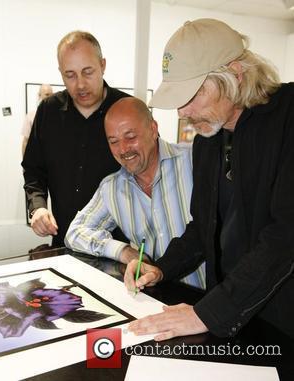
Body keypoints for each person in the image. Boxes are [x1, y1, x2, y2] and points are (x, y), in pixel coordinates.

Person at [125, 18, 294, 340]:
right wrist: (161, 267)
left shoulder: (289, 119)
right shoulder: (207, 141)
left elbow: (285, 237)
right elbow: (203, 226)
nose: (181, 112)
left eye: (193, 95)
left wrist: (207, 313)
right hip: (230, 311)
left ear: (235, 75)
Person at [65, 97, 205, 289]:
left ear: (153, 129)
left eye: (131, 137)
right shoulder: (111, 188)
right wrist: (122, 251)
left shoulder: (193, 162)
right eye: (113, 141)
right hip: (155, 300)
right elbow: (75, 233)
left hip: (210, 303)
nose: (123, 149)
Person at [22, 31, 130, 247]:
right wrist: (38, 206)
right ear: (60, 73)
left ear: (103, 65)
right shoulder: (48, 112)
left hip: (118, 248)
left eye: (88, 72)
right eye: (70, 75)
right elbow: (33, 169)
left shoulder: (127, 109)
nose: (80, 84)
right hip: (63, 243)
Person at [21, 84, 53, 156]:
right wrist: (25, 165)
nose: (50, 97)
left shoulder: (59, 116)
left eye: (52, 94)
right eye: (47, 94)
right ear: (39, 95)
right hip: (37, 160)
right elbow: (26, 142)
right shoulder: (31, 116)